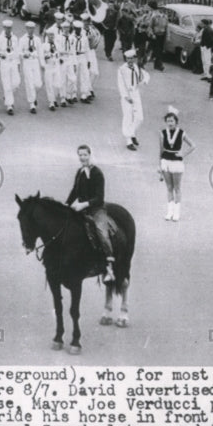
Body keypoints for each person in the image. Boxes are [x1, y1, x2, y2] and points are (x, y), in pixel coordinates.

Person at [65, 144, 115, 282]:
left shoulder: (97, 173)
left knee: (101, 232)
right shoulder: (80, 171)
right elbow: (75, 190)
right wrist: (66, 204)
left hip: (96, 209)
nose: (82, 158)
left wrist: (84, 204)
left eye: (85, 155)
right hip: (81, 207)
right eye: (80, 155)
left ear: (90, 155)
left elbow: (99, 198)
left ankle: (109, 266)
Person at [158, 108, 196, 222]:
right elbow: (160, 150)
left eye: (172, 121)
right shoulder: (162, 133)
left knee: (177, 188)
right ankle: (169, 212)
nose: (170, 123)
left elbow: (193, 145)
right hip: (165, 162)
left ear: (176, 122)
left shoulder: (182, 133)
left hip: (177, 163)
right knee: (169, 188)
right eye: (168, 121)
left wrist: (183, 154)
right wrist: (159, 165)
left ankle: (177, 213)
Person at [118, 48, 150, 150]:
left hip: (135, 93)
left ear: (134, 59)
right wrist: (125, 96)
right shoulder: (121, 69)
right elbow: (120, 84)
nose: (130, 61)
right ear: (125, 59)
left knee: (139, 118)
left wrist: (144, 81)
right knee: (128, 116)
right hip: (127, 95)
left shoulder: (136, 67)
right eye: (128, 59)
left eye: (132, 58)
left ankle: (131, 134)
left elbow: (145, 75)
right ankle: (128, 141)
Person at [0, 19, 22, 114]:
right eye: (6, 28)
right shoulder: (0, 39)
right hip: (5, 62)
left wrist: (18, 64)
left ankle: (7, 96)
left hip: (13, 62)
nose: (8, 30)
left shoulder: (14, 38)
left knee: (16, 83)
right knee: (6, 83)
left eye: (10, 28)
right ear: (3, 28)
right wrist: (0, 55)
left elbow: (17, 52)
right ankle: (9, 106)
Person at [19, 20, 43, 113]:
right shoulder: (22, 39)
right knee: (29, 82)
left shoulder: (37, 39)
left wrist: (42, 64)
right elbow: (19, 51)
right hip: (27, 62)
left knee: (38, 84)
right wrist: (23, 55)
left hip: (35, 61)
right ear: (26, 28)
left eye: (32, 28)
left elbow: (40, 52)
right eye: (29, 28)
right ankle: (32, 104)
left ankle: (34, 96)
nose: (31, 30)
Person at [148, 1, 168, 71]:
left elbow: (166, 27)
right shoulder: (154, 16)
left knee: (159, 50)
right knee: (157, 50)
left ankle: (156, 65)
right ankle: (160, 65)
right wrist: (152, 34)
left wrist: (167, 36)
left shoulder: (165, 17)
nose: (162, 10)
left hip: (162, 35)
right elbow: (150, 26)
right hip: (155, 35)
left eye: (163, 9)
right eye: (160, 8)